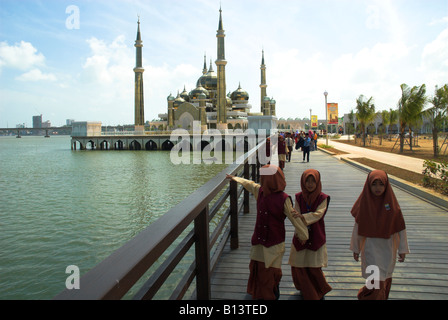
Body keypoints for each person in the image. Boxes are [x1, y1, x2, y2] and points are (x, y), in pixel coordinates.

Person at [226, 165, 309, 300]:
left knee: (271, 272)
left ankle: (272, 295)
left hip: (274, 244)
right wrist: (235, 178)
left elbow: (294, 218)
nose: (260, 179)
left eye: (263, 177)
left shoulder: (283, 199)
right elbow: (249, 184)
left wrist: (303, 234)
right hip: (259, 241)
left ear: (270, 179)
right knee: (257, 269)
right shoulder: (260, 192)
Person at [350, 170, 410, 300]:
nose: (378, 188)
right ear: (368, 186)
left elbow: (400, 229)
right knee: (375, 282)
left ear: (386, 185)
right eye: (374, 184)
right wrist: (356, 248)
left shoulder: (393, 207)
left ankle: (365, 295)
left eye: (381, 184)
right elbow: (357, 229)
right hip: (370, 249)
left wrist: (402, 249)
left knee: (384, 279)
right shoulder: (364, 206)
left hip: (388, 251)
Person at [289, 169, 332, 300]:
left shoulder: (322, 198)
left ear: (318, 182)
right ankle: (305, 288)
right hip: (301, 235)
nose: (310, 184)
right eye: (307, 181)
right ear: (303, 181)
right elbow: (295, 214)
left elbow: (318, 214)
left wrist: (302, 217)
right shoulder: (298, 197)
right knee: (299, 264)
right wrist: (302, 233)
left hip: (316, 235)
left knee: (314, 265)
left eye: (313, 181)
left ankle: (317, 289)